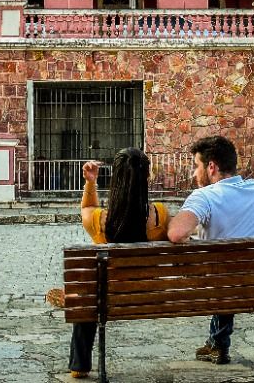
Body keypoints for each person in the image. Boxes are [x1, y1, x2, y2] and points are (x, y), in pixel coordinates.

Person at [167, 135, 254, 365]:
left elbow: (176, 234)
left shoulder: (204, 196)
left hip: (223, 284)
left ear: (212, 167)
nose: (194, 174)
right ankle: (216, 344)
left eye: (196, 167)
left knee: (222, 274)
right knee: (230, 268)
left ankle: (217, 344)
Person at [65, 148, 169, 379]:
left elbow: (86, 208)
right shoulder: (160, 216)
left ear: (115, 180)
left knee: (88, 297)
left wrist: (90, 182)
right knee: (91, 295)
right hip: (149, 297)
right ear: (147, 178)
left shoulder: (100, 222)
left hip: (106, 299)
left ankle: (79, 366)